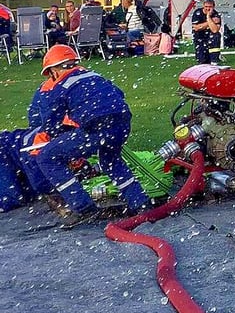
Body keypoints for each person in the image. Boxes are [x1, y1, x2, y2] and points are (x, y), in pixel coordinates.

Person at [29, 45, 152, 227]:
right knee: (110, 160)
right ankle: (141, 203)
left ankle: (84, 208)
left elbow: (51, 121)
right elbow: (118, 95)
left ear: (53, 70)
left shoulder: (60, 85)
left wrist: (51, 137)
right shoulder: (94, 75)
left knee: (47, 157)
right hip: (122, 122)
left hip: (96, 127)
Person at [190, 0, 222, 64]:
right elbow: (196, 28)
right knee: (202, 61)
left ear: (214, 6)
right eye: (206, 6)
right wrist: (210, 22)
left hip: (210, 38)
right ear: (203, 6)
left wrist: (208, 17)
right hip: (199, 38)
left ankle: (215, 59)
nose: (208, 8)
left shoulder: (216, 14)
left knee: (216, 35)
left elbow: (215, 30)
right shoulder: (197, 13)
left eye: (210, 6)